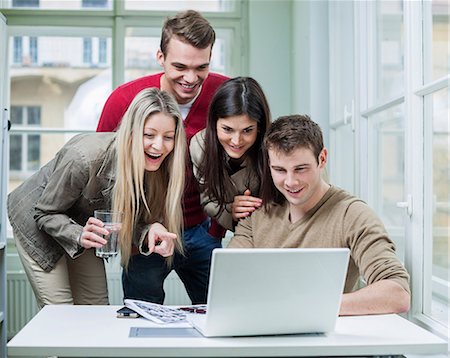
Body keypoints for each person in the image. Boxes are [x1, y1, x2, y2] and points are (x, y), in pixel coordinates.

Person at [7, 88, 186, 308]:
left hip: (84, 225)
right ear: (130, 132)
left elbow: (128, 217)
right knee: (61, 313)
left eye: (168, 137)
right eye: (149, 135)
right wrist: (78, 233)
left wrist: (149, 230)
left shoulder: (159, 167)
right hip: (37, 219)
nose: (159, 146)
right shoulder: (84, 157)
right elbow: (45, 212)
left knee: (96, 307)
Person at [96, 10, 228, 304]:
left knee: (219, 315)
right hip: (145, 231)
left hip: (203, 230)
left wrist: (217, 227)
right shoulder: (124, 101)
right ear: (160, 57)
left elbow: (247, 154)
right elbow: (102, 174)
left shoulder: (224, 94)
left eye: (201, 67)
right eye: (180, 66)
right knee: (144, 317)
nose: (190, 78)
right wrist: (130, 231)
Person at [228, 115, 411, 316]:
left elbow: (397, 294)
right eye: (279, 170)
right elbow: (229, 281)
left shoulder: (352, 214)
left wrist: (307, 306)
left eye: (301, 169)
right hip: (260, 334)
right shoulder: (257, 213)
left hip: (324, 341)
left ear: (322, 159)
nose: (290, 182)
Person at [190, 77, 271, 232]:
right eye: (227, 129)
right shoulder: (200, 146)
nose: (236, 141)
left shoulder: (275, 147)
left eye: (247, 130)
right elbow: (208, 201)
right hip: (237, 231)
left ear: (259, 127)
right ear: (214, 123)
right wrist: (230, 211)